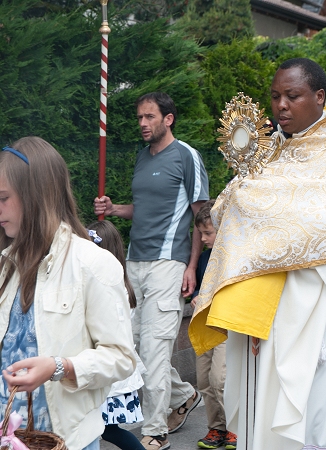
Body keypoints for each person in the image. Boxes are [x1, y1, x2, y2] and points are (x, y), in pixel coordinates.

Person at [189, 58, 326, 450]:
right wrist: (245, 187)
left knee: (314, 406)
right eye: (275, 96)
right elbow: (228, 209)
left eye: (292, 96)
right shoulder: (278, 147)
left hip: (322, 301)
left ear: (319, 96)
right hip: (266, 304)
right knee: (260, 403)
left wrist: (257, 203)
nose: (281, 105)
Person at [0, 137, 136, 450]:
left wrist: (60, 367)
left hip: (68, 440)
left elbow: (121, 358)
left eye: (4, 197)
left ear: (36, 196)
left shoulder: (94, 264)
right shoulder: (5, 264)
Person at [94, 92, 209, 450]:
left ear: (168, 118)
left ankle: (155, 430)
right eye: (139, 118)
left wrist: (191, 266)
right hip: (133, 262)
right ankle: (184, 395)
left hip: (169, 263)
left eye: (149, 117)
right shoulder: (142, 158)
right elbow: (142, 209)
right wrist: (114, 209)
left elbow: (201, 216)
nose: (143, 123)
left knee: (156, 349)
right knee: (133, 348)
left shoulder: (187, 156)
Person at [86, 220, 146, 450]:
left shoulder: (111, 285)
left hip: (109, 372)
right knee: (104, 430)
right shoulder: (120, 283)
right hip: (110, 370)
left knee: (105, 430)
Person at [189, 201, 237, 450]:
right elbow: (201, 288)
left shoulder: (234, 259)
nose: (204, 238)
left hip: (225, 327)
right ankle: (215, 428)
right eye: (201, 234)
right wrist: (196, 294)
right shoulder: (206, 259)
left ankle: (234, 428)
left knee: (221, 379)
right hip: (205, 326)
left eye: (208, 233)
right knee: (205, 380)